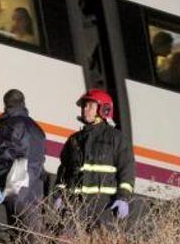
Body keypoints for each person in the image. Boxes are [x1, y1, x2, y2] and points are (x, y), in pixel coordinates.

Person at [53, 89, 135, 229]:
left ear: (103, 109)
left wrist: (123, 198)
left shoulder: (116, 138)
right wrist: (59, 195)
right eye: (84, 106)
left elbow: (127, 170)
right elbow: (64, 170)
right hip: (74, 208)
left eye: (90, 106)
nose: (85, 109)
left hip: (104, 208)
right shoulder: (75, 140)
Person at [0, 89, 46, 241]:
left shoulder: (10, 125)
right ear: (23, 103)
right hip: (35, 189)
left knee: (18, 236)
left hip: (16, 187)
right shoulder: (37, 128)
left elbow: (5, 157)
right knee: (33, 236)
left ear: (5, 105)